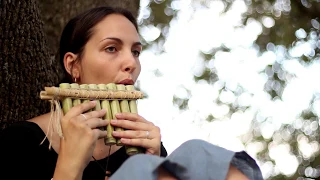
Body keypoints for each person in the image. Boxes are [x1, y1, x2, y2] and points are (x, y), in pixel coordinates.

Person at [0, 6, 263, 180]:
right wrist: (69, 165)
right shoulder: (19, 142)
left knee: (196, 152)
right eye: (112, 48)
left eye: (135, 51)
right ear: (73, 64)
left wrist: (157, 163)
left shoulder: (145, 148)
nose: (132, 63)